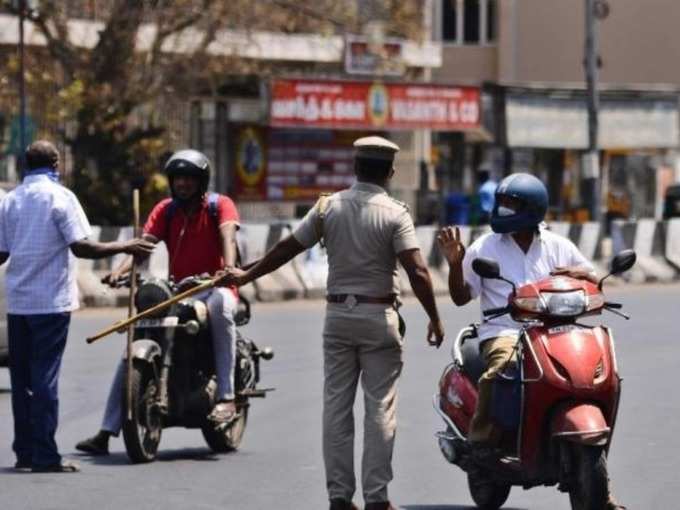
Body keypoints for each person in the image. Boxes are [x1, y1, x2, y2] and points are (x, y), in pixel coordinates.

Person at [219, 136, 445, 510]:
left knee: (336, 409)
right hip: (378, 317)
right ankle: (377, 499)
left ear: (355, 168)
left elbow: (287, 248)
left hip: (337, 317)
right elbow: (418, 270)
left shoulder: (328, 208)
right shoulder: (395, 213)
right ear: (389, 172)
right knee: (379, 409)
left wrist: (247, 275)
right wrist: (434, 318)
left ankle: (339, 498)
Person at [437, 172, 625, 510]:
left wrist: (587, 279)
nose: (504, 209)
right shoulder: (485, 246)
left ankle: (602, 488)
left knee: (599, 371)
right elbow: (461, 296)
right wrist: (454, 263)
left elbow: (591, 277)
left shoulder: (557, 245)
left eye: (512, 204)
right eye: (502, 203)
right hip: (504, 331)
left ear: (533, 208)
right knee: (503, 367)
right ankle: (481, 442)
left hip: (555, 329)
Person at [0, 140, 154, 473]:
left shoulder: (10, 200)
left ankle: (25, 452)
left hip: (18, 304)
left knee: (23, 380)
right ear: (56, 164)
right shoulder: (61, 197)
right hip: (50, 304)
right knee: (45, 381)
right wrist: (125, 243)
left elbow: (1, 253)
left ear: (26, 165)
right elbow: (82, 247)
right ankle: (45, 455)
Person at [75, 149, 241, 456]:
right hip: (179, 289)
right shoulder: (166, 210)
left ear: (201, 181)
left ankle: (227, 396)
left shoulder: (220, 206)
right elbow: (143, 247)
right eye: (178, 179)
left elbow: (228, 236)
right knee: (138, 335)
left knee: (221, 307)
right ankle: (106, 429)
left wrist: (227, 270)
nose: (183, 185)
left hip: (214, 285)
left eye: (189, 179)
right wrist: (119, 272)